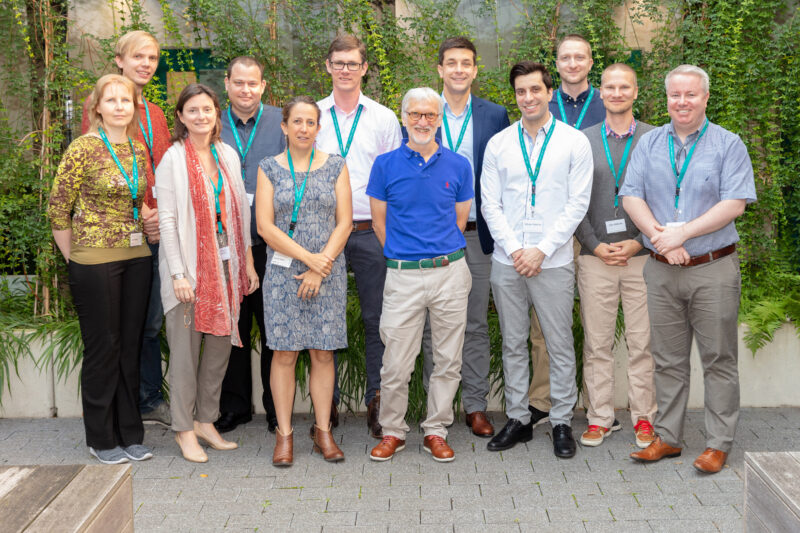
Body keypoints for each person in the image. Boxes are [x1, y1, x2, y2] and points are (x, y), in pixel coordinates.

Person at [621, 65, 756, 473]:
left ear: (705, 98)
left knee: (718, 358)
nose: (682, 102)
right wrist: (662, 238)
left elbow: (735, 203)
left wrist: (683, 235)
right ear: (666, 98)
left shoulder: (728, 144)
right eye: (675, 95)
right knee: (667, 359)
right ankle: (669, 438)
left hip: (712, 269)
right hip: (661, 270)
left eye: (690, 95)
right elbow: (631, 195)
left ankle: (718, 443)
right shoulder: (648, 143)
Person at [481, 61, 592, 458]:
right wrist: (515, 250)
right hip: (508, 262)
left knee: (558, 343)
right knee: (513, 342)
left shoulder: (573, 141)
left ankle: (561, 420)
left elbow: (577, 202)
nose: (528, 98)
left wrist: (542, 249)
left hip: (554, 259)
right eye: (520, 92)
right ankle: (518, 418)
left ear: (549, 93)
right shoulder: (499, 144)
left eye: (535, 90)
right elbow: (490, 204)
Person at [49, 74, 153, 464]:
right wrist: (74, 257)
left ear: (133, 106)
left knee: (129, 346)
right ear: (97, 107)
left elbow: (136, 199)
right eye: (110, 100)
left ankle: (130, 433)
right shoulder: (83, 148)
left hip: (136, 256)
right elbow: (58, 209)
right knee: (102, 348)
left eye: (125, 100)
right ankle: (101, 437)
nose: (119, 106)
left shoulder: (139, 150)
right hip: (93, 260)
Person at [368, 87, 474, 463]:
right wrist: (405, 254)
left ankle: (436, 429)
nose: (423, 121)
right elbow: (379, 222)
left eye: (430, 115)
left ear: (440, 120)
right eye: (415, 114)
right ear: (404, 118)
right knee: (396, 361)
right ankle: (393, 430)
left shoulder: (459, 165)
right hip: (403, 276)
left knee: (447, 359)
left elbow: (459, 220)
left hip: (449, 272)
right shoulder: (384, 165)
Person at [156, 84, 258, 463]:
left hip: (227, 266)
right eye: (193, 110)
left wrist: (246, 262)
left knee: (218, 351)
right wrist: (179, 274)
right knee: (185, 355)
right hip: (190, 270)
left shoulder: (226, 154)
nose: (201, 116)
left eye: (207, 109)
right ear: (181, 117)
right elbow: (167, 221)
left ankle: (206, 421)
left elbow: (241, 214)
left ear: (218, 113)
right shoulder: (173, 159)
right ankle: (184, 430)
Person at [418, 37, 510, 438]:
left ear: (475, 70)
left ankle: (475, 405)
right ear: (440, 69)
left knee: (473, 323)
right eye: (450, 62)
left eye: (466, 63)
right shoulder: (422, 114)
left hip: (475, 237)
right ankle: (434, 410)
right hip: (428, 238)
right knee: (429, 327)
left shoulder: (494, 116)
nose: (458, 69)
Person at [81, 30, 172, 427]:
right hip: (114, 234)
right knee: (119, 326)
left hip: (153, 229)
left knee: (148, 321)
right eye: (138, 57)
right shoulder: (101, 108)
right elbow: (97, 173)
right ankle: (123, 405)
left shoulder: (155, 113)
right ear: (119, 60)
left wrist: (159, 214)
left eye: (152, 58)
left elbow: (164, 169)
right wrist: (142, 212)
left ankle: (147, 400)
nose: (146, 64)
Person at [256, 96, 353, 467]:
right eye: (296, 122)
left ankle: (323, 430)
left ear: (318, 127)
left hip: (326, 273)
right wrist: (307, 259)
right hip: (282, 275)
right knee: (284, 353)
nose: (303, 128)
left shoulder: (336, 166)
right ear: (284, 126)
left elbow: (344, 222)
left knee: (323, 353)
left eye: (310, 122)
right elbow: (265, 226)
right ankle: (284, 434)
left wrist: (320, 264)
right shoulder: (269, 168)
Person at [316, 35, 403, 438]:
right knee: (324, 318)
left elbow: (393, 179)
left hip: (370, 231)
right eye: (339, 63)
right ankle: (325, 403)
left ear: (364, 68)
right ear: (328, 67)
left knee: (376, 319)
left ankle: (377, 400)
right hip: (324, 233)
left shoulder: (384, 119)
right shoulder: (313, 115)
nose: (346, 69)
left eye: (353, 63)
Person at [574, 63, 657, 449]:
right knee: (598, 343)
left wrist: (640, 240)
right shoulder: (581, 140)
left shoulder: (657, 139)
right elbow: (574, 204)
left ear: (636, 92)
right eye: (610, 87)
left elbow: (666, 199)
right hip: (596, 259)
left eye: (625, 86)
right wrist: (594, 245)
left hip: (642, 258)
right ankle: (599, 417)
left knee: (642, 343)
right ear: (601, 92)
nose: (617, 92)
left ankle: (644, 419)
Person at [216, 56, 286, 435]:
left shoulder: (281, 121)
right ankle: (235, 407)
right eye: (238, 83)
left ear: (263, 86)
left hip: (271, 242)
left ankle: (277, 408)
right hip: (225, 243)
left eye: (252, 83)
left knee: (273, 327)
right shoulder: (210, 120)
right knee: (234, 327)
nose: (245, 90)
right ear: (226, 83)